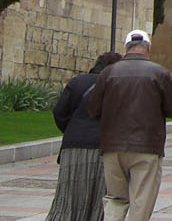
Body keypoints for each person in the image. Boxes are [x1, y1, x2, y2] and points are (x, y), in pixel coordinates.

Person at [87, 29, 172, 221]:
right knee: (141, 201)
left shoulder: (108, 73)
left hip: (113, 146)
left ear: (126, 48)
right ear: (148, 48)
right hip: (147, 147)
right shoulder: (159, 73)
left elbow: (93, 109)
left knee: (115, 198)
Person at [47, 52, 123, 221]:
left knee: (67, 197)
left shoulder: (77, 82)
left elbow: (60, 112)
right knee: (98, 198)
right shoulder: (117, 84)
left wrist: (72, 131)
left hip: (73, 145)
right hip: (103, 147)